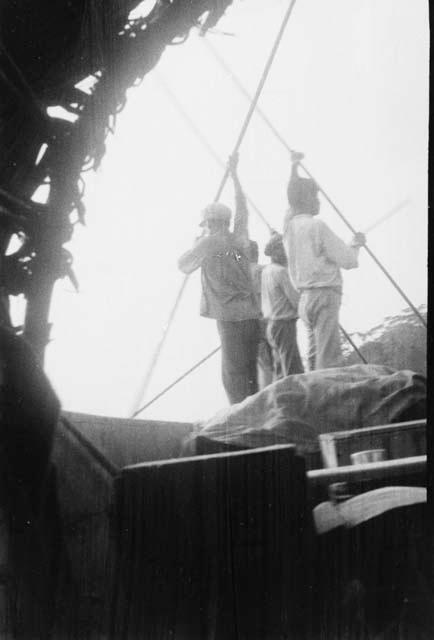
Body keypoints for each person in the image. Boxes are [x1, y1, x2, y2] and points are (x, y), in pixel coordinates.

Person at [178, 153, 261, 404]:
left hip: (228, 317)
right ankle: (254, 410)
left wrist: (196, 242)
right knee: (250, 371)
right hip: (250, 314)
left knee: (233, 373)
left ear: (209, 223)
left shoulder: (208, 242)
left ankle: (239, 415)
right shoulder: (240, 238)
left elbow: (183, 265)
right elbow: (242, 207)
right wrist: (234, 174)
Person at [283, 152, 366, 370]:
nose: (318, 202)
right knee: (329, 359)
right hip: (324, 297)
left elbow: (291, 196)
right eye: (315, 197)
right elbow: (348, 261)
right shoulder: (316, 226)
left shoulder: (288, 229)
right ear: (306, 199)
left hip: (305, 301)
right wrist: (356, 245)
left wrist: (294, 167)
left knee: (313, 358)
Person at [261, 232, 304, 379]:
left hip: (272, 325)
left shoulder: (267, 271)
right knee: (293, 369)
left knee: (280, 370)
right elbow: (296, 300)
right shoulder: (281, 272)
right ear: (275, 252)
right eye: (283, 249)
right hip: (284, 325)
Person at [247, 239, 274, 388]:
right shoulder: (263, 270)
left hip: (248, 322)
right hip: (265, 319)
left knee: (260, 363)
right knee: (269, 362)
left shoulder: (239, 273)